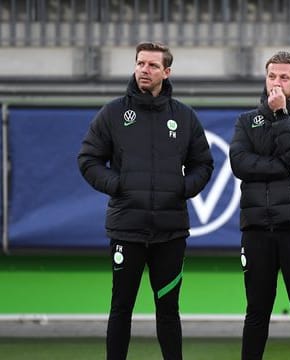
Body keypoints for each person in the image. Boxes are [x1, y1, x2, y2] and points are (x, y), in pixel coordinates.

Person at [78, 42, 214, 360]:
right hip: (127, 229)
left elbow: (204, 164)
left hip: (171, 230)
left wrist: (182, 188)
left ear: (166, 72)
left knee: (168, 309)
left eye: (152, 65)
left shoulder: (183, 116)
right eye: (140, 63)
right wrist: (118, 184)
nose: (144, 70)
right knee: (121, 307)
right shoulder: (113, 113)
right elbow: (88, 159)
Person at [229, 51, 290, 360]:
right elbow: (239, 163)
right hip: (257, 230)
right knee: (256, 312)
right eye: (272, 76)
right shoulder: (247, 120)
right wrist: (281, 165)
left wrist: (283, 117)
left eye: (284, 77)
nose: (277, 82)